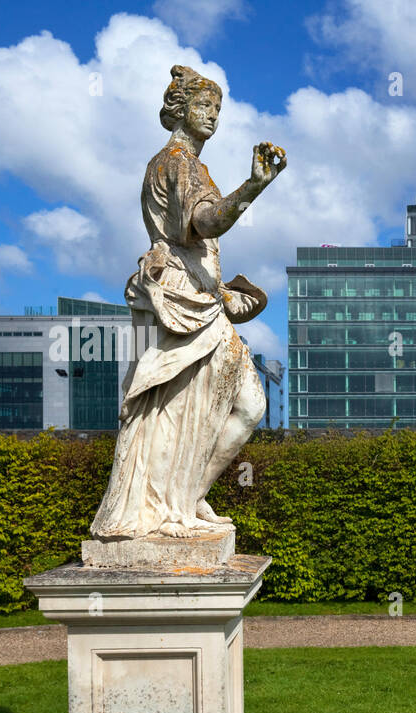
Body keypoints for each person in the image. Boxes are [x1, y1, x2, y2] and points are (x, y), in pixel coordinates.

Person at [91, 64, 287, 539]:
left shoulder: (190, 165)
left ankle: (186, 497)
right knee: (207, 409)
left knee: (242, 406)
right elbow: (207, 223)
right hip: (184, 307)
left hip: (202, 301)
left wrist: (223, 292)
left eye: (218, 108)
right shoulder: (176, 162)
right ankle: (170, 506)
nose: (213, 116)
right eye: (203, 106)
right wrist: (255, 185)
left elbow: (199, 241)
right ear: (180, 108)